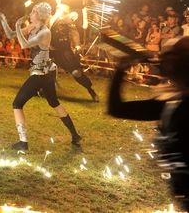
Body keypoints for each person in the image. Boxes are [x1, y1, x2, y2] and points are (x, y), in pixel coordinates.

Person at [108, 36, 189, 211]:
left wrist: (121, 69)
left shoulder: (175, 106)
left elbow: (116, 108)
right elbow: (117, 109)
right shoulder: (173, 104)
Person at [0, 3, 81, 151]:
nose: (30, 13)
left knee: (17, 104)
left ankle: (23, 143)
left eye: (34, 11)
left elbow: (24, 45)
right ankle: (75, 135)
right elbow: (11, 35)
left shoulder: (45, 32)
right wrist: (3, 20)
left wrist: (17, 25)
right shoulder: (32, 27)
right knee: (54, 102)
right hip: (47, 71)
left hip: (42, 73)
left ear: (39, 15)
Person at [50, 12, 98, 102]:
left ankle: (91, 90)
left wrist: (77, 45)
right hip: (52, 51)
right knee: (44, 68)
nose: (72, 20)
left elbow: (74, 33)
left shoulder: (69, 24)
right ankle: (42, 89)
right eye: (71, 18)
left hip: (65, 53)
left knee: (76, 73)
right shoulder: (52, 19)